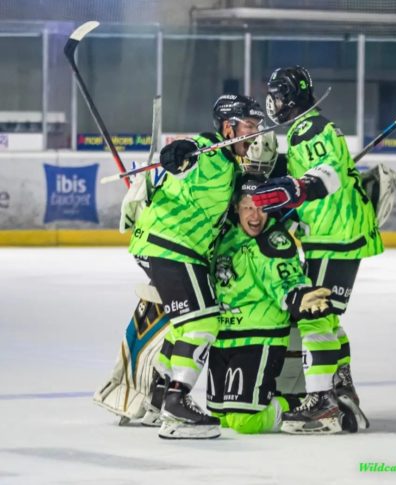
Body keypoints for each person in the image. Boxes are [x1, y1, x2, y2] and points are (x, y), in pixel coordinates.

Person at [128, 93, 266, 439]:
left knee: (183, 325)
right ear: (227, 127)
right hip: (173, 248)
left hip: (168, 247)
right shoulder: (207, 151)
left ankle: (159, 398)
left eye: (257, 127)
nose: (255, 135)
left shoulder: (232, 163)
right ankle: (178, 403)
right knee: (204, 321)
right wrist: (176, 155)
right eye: (249, 127)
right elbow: (183, 154)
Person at [252, 65, 382, 431]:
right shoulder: (304, 129)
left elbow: (329, 172)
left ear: (290, 99)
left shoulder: (309, 128)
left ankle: (321, 401)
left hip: (335, 235)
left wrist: (297, 188)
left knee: (315, 314)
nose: (272, 102)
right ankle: (341, 388)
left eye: (277, 96)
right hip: (338, 233)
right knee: (328, 316)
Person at [207, 175, 342, 434]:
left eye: (261, 207)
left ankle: (308, 404)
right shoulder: (225, 234)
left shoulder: (274, 241)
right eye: (248, 207)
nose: (255, 215)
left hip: (258, 337)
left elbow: (287, 276)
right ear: (236, 207)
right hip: (223, 339)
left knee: (245, 422)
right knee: (221, 417)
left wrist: (296, 295)